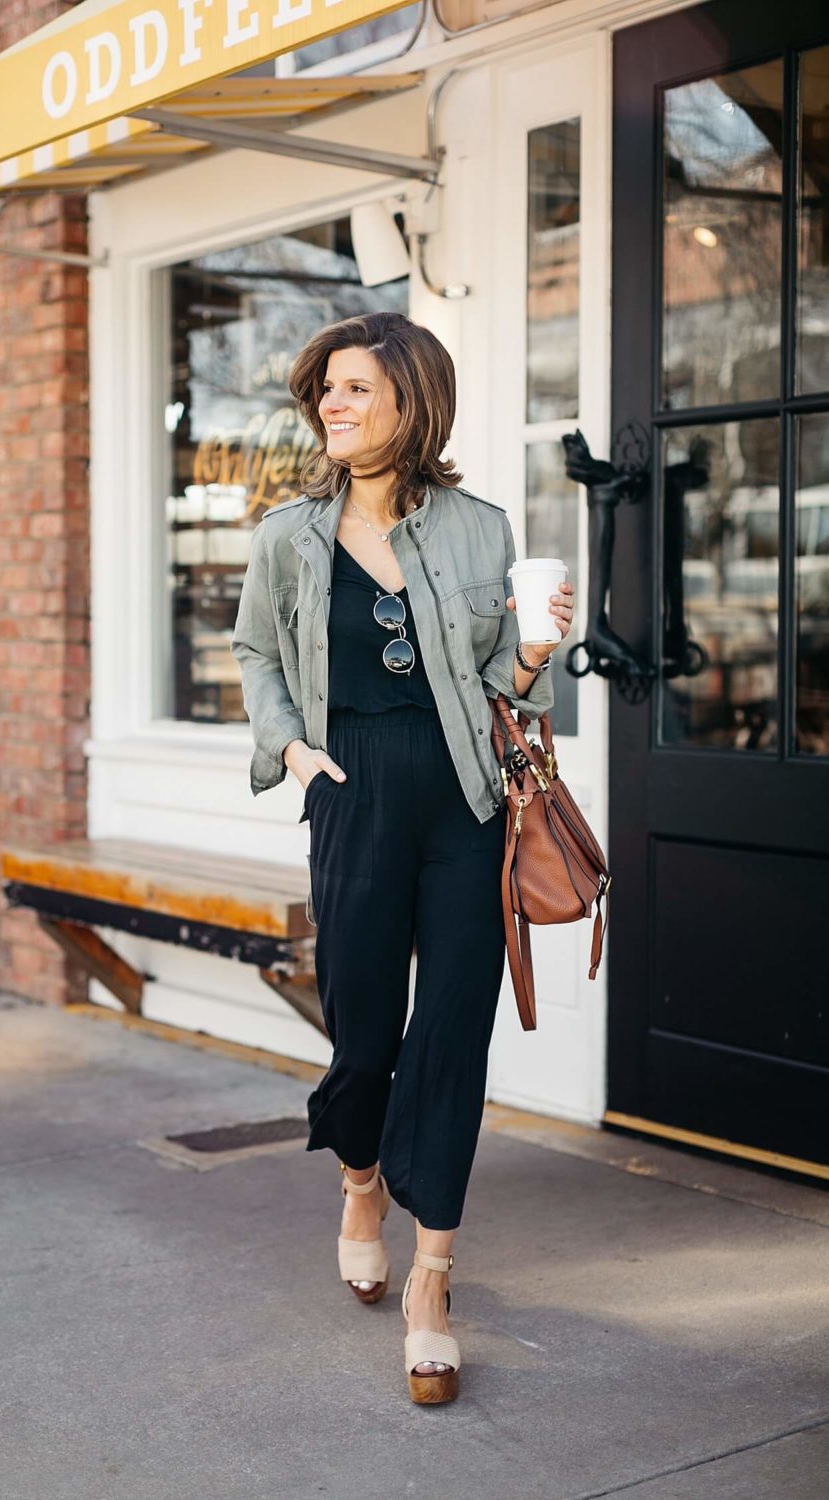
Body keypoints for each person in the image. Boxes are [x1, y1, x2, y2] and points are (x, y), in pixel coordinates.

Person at [230, 311, 574, 1405]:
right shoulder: (288, 536)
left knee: (454, 1028)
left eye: (356, 390)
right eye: (325, 389)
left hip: (466, 797)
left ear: (411, 404)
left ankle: (432, 1280)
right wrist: (288, 748)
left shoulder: (479, 528)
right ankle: (361, 1182)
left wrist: (531, 653)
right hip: (354, 790)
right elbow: (250, 648)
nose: (332, 405)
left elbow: (502, 692)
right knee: (365, 1017)